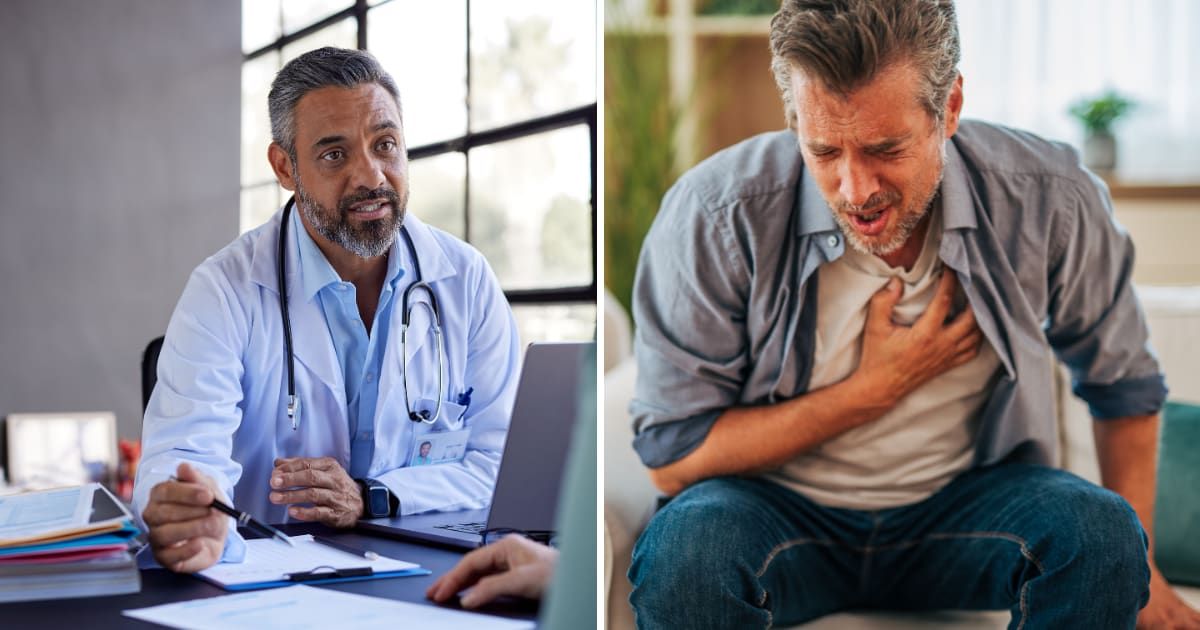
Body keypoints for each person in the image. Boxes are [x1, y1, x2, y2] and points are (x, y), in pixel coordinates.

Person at [627, 1, 1200, 628]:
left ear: (949, 108)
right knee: (686, 556)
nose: (855, 189)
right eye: (824, 152)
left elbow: (1124, 387)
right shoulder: (716, 213)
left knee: (1104, 534)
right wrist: (870, 392)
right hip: (774, 511)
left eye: (885, 148)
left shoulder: (1049, 197)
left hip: (970, 509)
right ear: (794, 120)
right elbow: (672, 453)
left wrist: (1143, 575)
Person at [133, 47, 520, 573]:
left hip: (424, 573)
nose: (371, 177)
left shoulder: (465, 280)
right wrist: (188, 511)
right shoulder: (224, 290)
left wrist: (372, 495)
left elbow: (502, 467)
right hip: (266, 581)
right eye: (335, 155)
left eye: (385, 145)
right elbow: (183, 457)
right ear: (284, 167)